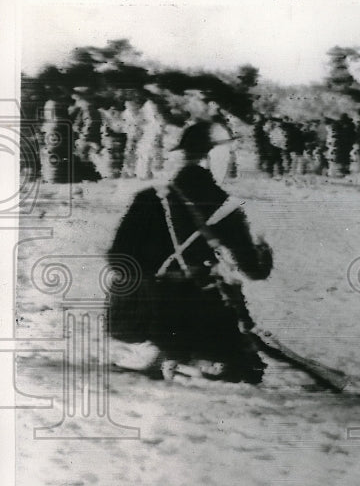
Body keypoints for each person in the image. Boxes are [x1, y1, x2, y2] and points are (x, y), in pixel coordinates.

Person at [106, 120, 273, 383]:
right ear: (212, 156)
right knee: (248, 368)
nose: (231, 161)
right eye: (228, 153)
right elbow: (254, 271)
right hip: (190, 317)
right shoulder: (225, 208)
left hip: (134, 319)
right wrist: (263, 249)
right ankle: (191, 359)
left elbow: (117, 259)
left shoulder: (149, 197)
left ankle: (159, 354)